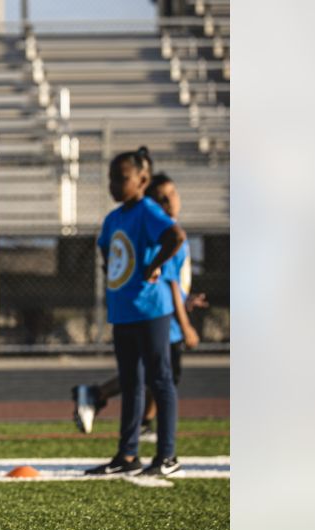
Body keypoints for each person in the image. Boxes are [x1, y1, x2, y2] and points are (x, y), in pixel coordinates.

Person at [71, 173, 206, 437]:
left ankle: (131, 420)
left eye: (173, 195)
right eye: (162, 199)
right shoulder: (163, 236)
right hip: (160, 317)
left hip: (162, 314)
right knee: (157, 377)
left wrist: (185, 300)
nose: (170, 202)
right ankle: (147, 435)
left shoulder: (169, 231)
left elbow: (171, 281)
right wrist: (186, 324)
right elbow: (165, 282)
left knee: (149, 376)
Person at [84, 148, 187, 478]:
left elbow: (176, 236)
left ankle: (167, 455)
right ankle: (127, 454)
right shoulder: (114, 217)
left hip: (151, 309)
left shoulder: (147, 210)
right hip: (124, 311)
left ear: (142, 180)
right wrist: (108, 267)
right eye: (112, 177)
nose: (114, 184)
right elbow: (104, 245)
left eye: (122, 178)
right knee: (131, 383)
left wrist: (153, 264)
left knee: (160, 380)